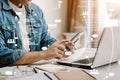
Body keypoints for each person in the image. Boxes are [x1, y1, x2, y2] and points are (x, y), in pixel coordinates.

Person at [0, 0, 74, 67]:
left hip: (34, 68)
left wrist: (60, 48)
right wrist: (44, 54)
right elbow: (2, 55)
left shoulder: (36, 10)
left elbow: (46, 40)